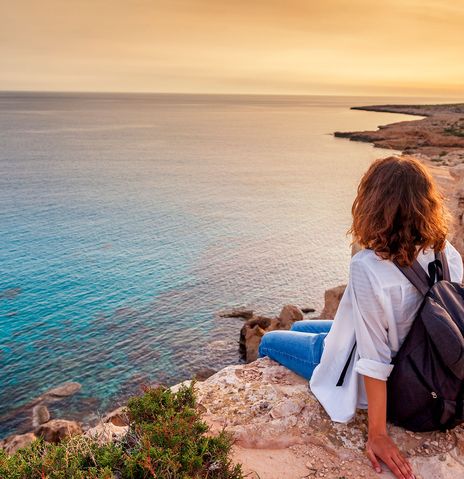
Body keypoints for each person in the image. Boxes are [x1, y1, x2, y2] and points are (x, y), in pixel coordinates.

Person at [258, 156, 464, 479]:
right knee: (299, 324)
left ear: (374, 205)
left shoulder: (368, 266)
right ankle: (309, 336)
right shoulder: (447, 253)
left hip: (380, 376)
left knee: (269, 341)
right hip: (423, 361)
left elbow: (374, 358)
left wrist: (378, 434)